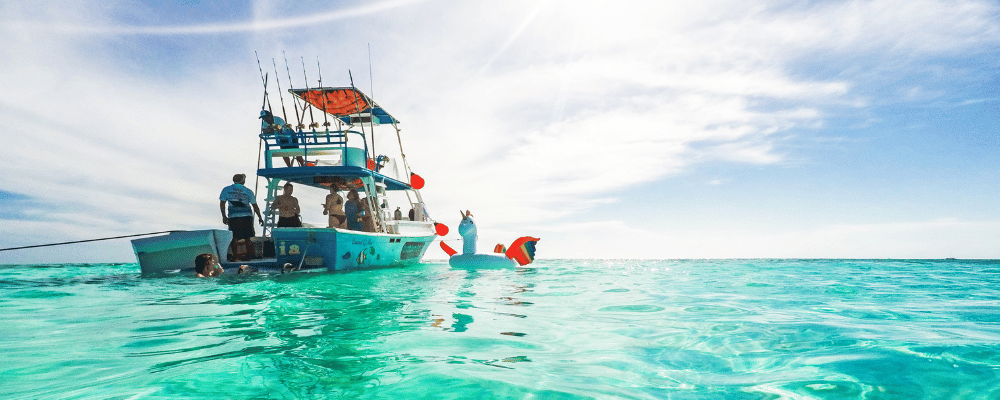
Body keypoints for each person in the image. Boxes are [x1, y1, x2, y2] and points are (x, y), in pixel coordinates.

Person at [220, 174, 264, 242]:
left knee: (234, 238)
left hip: (233, 217)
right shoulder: (248, 191)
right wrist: (260, 217)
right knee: (249, 239)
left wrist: (224, 216)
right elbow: (255, 206)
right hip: (247, 218)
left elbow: (222, 204)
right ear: (243, 181)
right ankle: (250, 252)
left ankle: (235, 252)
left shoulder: (226, 189)